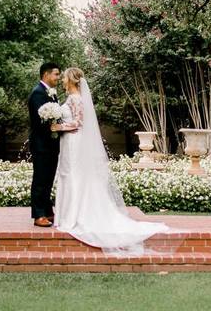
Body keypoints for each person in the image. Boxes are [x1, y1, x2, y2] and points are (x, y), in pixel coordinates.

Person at [52, 67, 169, 252]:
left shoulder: (76, 99)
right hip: (68, 142)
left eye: (65, 78)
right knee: (68, 175)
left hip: (74, 142)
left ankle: (73, 216)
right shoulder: (71, 97)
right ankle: (66, 215)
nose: (63, 81)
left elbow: (78, 122)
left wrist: (59, 127)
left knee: (74, 176)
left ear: (72, 81)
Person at [28, 61, 66, 227]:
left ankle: (48, 211)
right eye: (56, 74)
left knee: (48, 178)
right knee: (40, 179)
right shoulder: (37, 93)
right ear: (46, 75)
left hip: (51, 144)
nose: (58, 77)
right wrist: (57, 128)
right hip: (41, 144)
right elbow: (40, 120)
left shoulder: (50, 92)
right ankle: (38, 215)